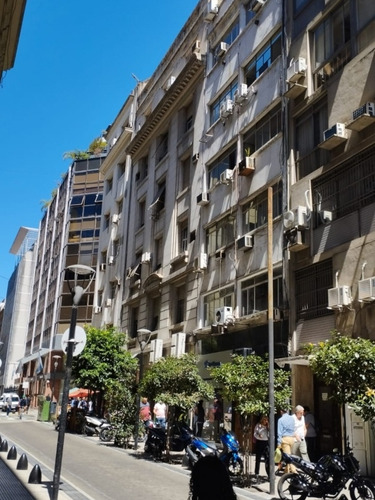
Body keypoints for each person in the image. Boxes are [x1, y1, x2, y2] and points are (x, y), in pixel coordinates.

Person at [277, 408, 297, 474]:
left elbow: (279, 432)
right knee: (289, 454)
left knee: (288, 457)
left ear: (281, 411)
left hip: (285, 439)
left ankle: (294, 471)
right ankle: (286, 471)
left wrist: (279, 442)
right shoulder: (292, 419)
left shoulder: (280, 420)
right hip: (292, 438)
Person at [253, 415, 269, 482]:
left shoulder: (267, 426)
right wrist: (258, 435)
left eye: (266, 420)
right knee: (258, 458)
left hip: (266, 442)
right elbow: (255, 434)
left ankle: (269, 474)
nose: (265, 421)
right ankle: (256, 473)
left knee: (267, 459)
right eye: (264, 420)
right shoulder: (258, 425)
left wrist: (268, 427)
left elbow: (270, 434)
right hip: (259, 442)